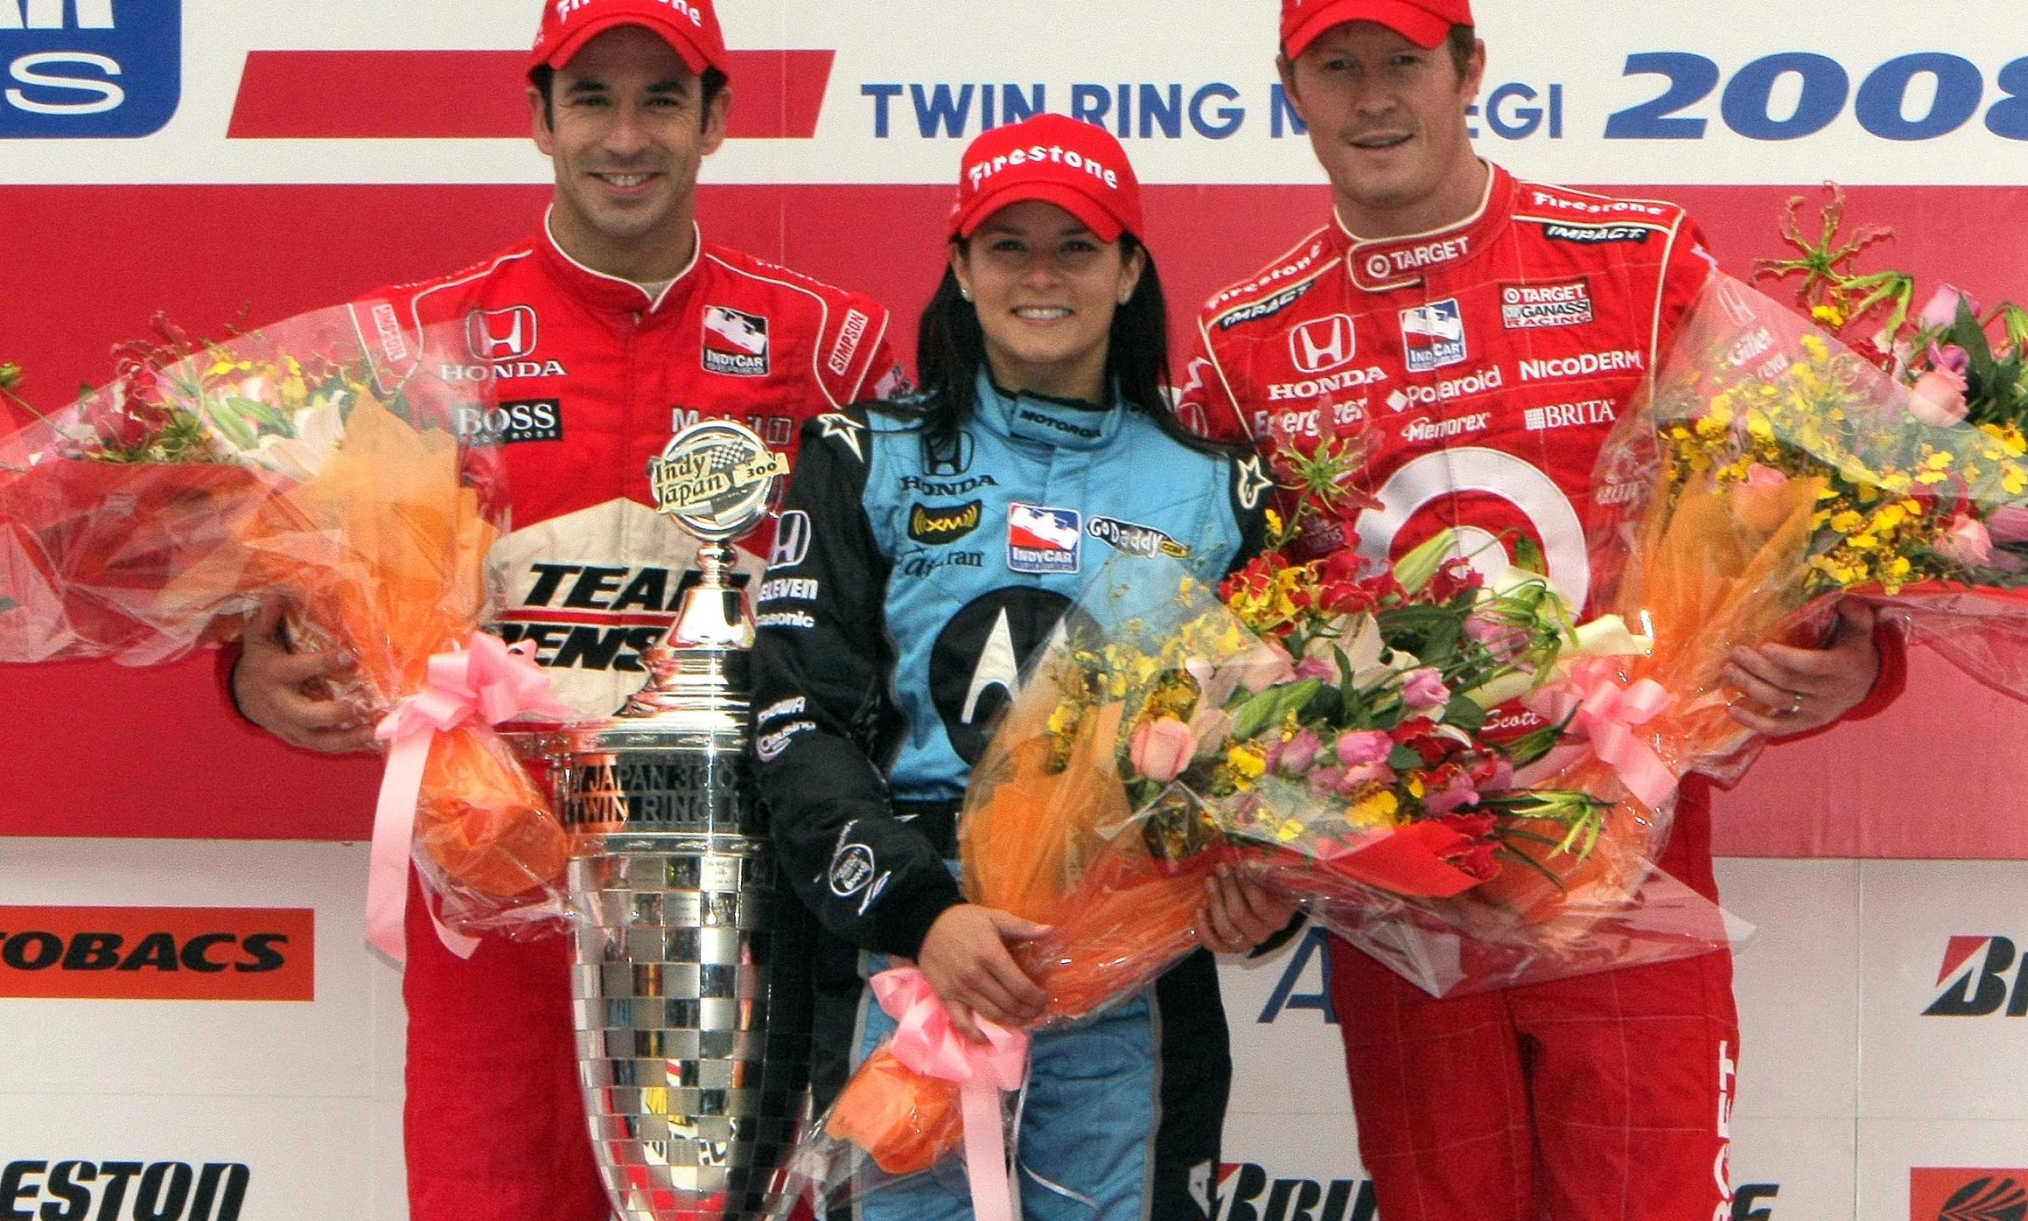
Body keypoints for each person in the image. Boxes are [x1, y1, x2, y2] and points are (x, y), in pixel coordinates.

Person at [1177, 2, 1903, 1218]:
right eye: (1336, 68)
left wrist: (1864, 651)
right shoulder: (1236, 343)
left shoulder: (1643, 260)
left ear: (1469, 70)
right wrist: (1235, 844)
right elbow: (1216, 634)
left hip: (1629, 871)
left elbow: (1824, 507)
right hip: (1399, 893)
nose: (1371, 98)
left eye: (1403, 62)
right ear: (1288, 89)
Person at [227, 3, 904, 1219]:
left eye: (662, 99)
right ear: (539, 118)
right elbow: (297, 588)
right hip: (503, 904)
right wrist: (246, 674)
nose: (627, 135)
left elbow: (909, 596)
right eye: (592, 98)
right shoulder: (423, 344)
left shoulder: (831, 344)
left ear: (718, 121)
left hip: (750, 904)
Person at [749, 113, 1295, 1221]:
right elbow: (797, 726)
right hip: (915, 963)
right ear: (959, 267)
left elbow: (1280, 755)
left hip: (1134, 969)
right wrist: (923, 912)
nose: (1041, 277)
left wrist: (1265, 891)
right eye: (1008, 247)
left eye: (1077, 247)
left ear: (1131, 270)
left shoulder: (1223, 492)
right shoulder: (862, 457)